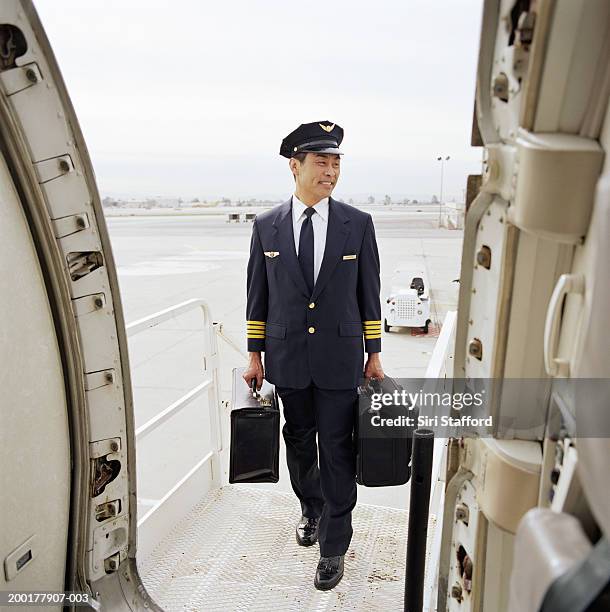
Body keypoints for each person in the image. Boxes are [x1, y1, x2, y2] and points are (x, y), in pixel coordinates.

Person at [242, 120, 384, 591]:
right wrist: (254, 355)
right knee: (299, 445)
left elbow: (370, 294)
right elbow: (256, 297)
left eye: (336, 162)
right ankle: (310, 507)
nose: (331, 171)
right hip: (288, 359)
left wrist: (375, 352)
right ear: (295, 166)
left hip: (341, 360)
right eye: (321, 162)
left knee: (339, 451)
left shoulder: (357, 224)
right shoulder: (266, 226)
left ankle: (334, 546)